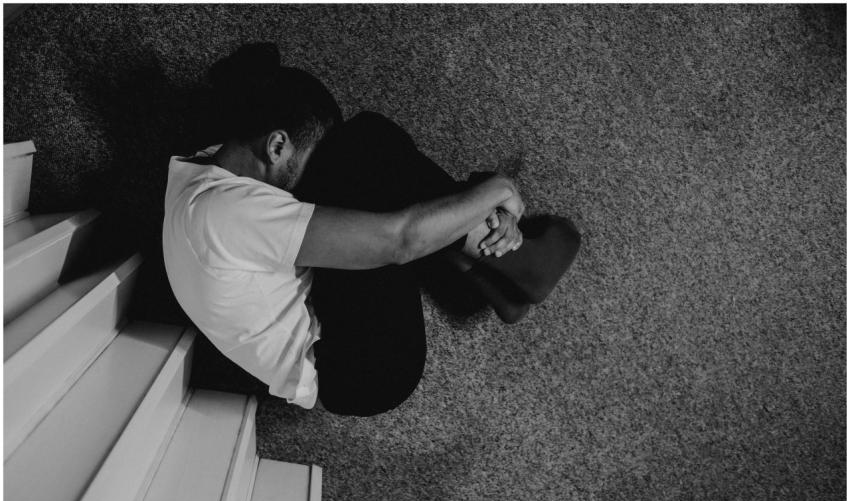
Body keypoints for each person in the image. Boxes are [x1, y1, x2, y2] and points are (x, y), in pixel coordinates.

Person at [163, 43, 580, 417]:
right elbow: (400, 241)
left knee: (365, 158)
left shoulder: (207, 168)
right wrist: (498, 189)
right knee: (361, 146)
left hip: (333, 330)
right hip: (365, 370)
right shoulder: (229, 214)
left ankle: (498, 277)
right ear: (275, 146)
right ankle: (515, 263)